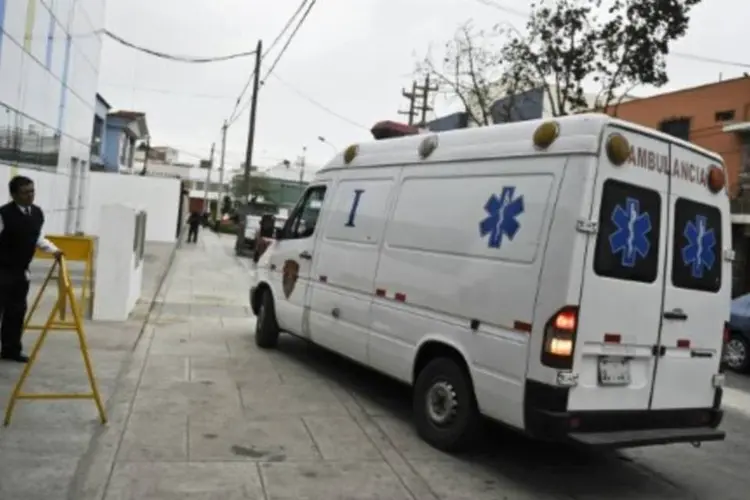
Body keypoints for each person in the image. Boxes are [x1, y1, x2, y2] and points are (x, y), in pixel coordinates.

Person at [0, 176, 62, 363]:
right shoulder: (4, 214)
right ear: (14, 195)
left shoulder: (36, 213)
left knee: (17, 311)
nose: (30, 196)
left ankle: (11, 349)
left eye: (32, 191)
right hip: (2, 270)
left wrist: (55, 251)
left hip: (20, 271)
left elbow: (38, 238)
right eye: (25, 192)